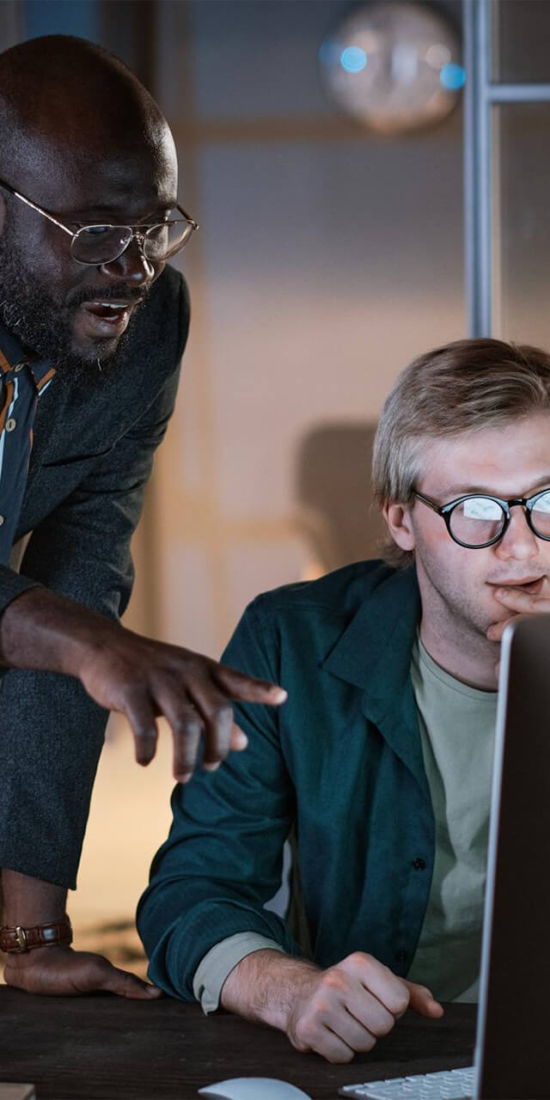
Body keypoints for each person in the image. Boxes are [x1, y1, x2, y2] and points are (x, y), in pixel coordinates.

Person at [139, 337, 550, 1062]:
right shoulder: (290, 641)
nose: (525, 550)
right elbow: (191, 895)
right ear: (401, 522)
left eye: (548, 500)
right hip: (381, 1062)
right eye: (476, 510)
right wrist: (289, 990)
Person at [0, 35, 286, 1000]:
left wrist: (28, 936)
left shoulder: (148, 325)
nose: (133, 268)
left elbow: (79, 572)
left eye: (155, 226)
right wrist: (81, 641)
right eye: (92, 233)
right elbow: (67, 631)